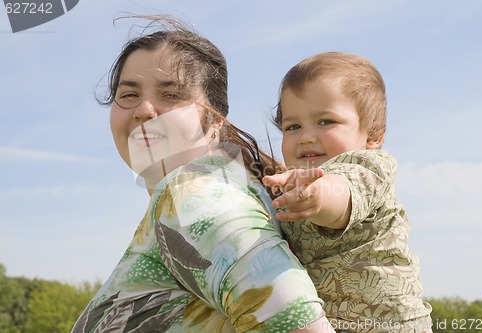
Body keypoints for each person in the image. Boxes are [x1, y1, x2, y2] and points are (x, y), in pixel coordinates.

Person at [70, 15, 335, 333]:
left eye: (171, 94)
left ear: (214, 123)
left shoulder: (191, 195)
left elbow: (296, 321)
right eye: (129, 95)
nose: (144, 109)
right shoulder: (226, 187)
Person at [263, 52, 433, 333]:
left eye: (326, 121)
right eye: (293, 126)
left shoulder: (368, 167)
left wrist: (317, 195)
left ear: (373, 136)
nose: (306, 136)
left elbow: (342, 193)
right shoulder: (294, 183)